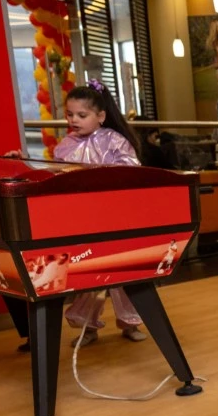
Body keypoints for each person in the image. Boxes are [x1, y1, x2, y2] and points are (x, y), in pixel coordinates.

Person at [55, 81, 148, 346]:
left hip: (115, 219)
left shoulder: (114, 141)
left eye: (81, 115)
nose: (74, 120)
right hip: (82, 221)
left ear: (101, 116)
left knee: (123, 272)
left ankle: (130, 322)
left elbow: (130, 174)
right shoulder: (65, 145)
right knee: (89, 275)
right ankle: (87, 327)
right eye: (70, 114)